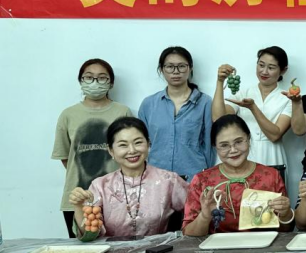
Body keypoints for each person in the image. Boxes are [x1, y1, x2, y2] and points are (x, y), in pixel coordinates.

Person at [68, 117, 189, 238]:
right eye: (123, 145)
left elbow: (194, 215)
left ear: (148, 144)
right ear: (111, 151)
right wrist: (79, 206)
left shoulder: (169, 181)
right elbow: (90, 235)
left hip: (158, 247)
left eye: (138, 142)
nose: (132, 150)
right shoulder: (100, 185)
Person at [52, 59, 133, 237]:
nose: (95, 82)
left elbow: (131, 154)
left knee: (121, 246)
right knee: (82, 245)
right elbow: (66, 157)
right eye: (89, 77)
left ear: (111, 83)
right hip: (77, 198)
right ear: (81, 80)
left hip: (118, 196)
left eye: (102, 78)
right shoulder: (68, 115)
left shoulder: (123, 112)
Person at [182, 115, 294, 235]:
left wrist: (286, 213)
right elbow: (188, 234)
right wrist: (204, 216)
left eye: (239, 142)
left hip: (263, 244)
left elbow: (286, 230)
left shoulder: (271, 176)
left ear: (248, 139)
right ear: (215, 146)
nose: (233, 150)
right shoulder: (202, 180)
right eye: (224, 145)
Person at [213, 46, 292, 180]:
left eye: (271, 67)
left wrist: (253, 108)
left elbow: (275, 135)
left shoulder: (287, 98)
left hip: (271, 155)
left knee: (271, 190)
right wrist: (220, 82)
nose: (264, 71)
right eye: (261, 65)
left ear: (283, 70)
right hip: (241, 153)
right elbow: (218, 119)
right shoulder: (243, 92)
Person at [139, 46, 216, 181]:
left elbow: (209, 144)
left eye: (181, 66)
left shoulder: (205, 102)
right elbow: (141, 143)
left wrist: (206, 176)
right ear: (161, 69)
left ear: (190, 68)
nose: (176, 71)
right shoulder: (149, 104)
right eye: (170, 66)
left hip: (194, 177)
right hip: (156, 178)